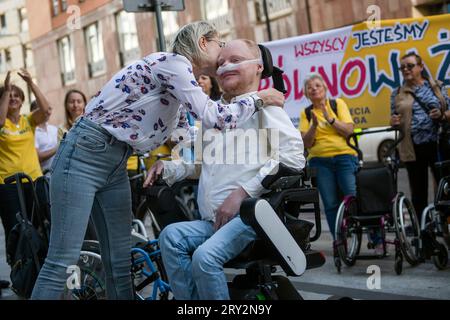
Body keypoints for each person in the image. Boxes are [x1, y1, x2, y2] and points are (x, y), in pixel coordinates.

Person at [31, 21, 284, 300]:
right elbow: (216, 118)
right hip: (84, 152)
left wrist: (171, 165)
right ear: (203, 43)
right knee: (63, 259)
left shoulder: (176, 93)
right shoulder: (173, 64)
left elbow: (191, 143)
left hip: (116, 162)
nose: (223, 56)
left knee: (119, 262)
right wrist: (260, 98)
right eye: (220, 45)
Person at [146, 39, 305, 300]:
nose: (225, 66)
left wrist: (242, 193)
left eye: (235, 60)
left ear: (258, 67)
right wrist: (169, 168)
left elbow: (293, 158)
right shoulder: (217, 114)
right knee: (170, 237)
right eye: (221, 63)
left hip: (252, 217)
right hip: (215, 221)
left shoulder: (265, 108)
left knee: (205, 258)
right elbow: (198, 163)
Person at [298, 73, 367, 251]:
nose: (313, 88)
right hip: (320, 162)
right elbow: (306, 143)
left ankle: (372, 234)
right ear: (306, 94)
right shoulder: (306, 113)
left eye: (317, 85)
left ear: (325, 89)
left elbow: (349, 131)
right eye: (309, 87)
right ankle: (339, 241)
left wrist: (330, 118)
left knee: (352, 196)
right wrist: (313, 125)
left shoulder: (337, 104)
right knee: (330, 203)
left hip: (344, 156)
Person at [390, 52, 450, 220]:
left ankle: (445, 224)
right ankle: (425, 231)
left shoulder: (436, 86)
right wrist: (393, 120)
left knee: (445, 188)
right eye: (402, 67)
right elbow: (393, 116)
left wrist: (442, 115)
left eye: (410, 65)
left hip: (438, 144)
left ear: (421, 67)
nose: (406, 69)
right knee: (418, 192)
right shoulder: (397, 93)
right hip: (412, 146)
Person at [0, 69, 51, 264]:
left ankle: (39, 262)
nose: (12, 98)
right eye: (8, 96)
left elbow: (46, 111)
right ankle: (18, 267)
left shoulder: (28, 121)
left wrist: (30, 83)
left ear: (22, 101)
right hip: (7, 184)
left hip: (33, 180)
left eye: (16, 96)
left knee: (39, 223)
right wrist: (5, 90)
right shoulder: (1, 123)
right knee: (15, 227)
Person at [31, 101, 58, 174]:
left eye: (50, 109)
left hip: (58, 173)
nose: (48, 112)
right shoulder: (32, 132)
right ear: (34, 112)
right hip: (43, 175)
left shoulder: (54, 129)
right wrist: (58, 148)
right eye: (45, 110)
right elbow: (38, 157)